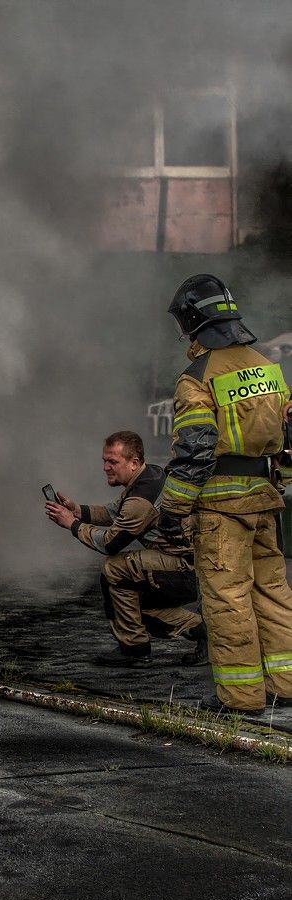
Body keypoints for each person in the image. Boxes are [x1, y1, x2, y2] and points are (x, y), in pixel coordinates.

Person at [161, 274, 292, 714]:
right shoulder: (268, 368)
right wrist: (283, 481)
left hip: (219, 508)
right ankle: (285, 685)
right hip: (264, 499)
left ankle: (240, 698)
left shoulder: (196, 378)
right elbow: (289, 435)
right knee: (273, 592)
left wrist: (171, 509)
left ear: (194, 321)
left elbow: (194, 450)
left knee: (228, 597)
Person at [46, 431, 204, 666]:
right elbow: (115, 511)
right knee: (130, 605)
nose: (106, 468)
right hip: (187, 566)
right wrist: (78, 510)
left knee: (115, 568)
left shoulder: (141, 498)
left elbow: (110, 543)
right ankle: (205, 633)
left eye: (113, 462)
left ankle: (134, 649)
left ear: (134, 463)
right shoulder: (149, 476)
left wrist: (72, 523)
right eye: (104, 461)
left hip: (186, 570)